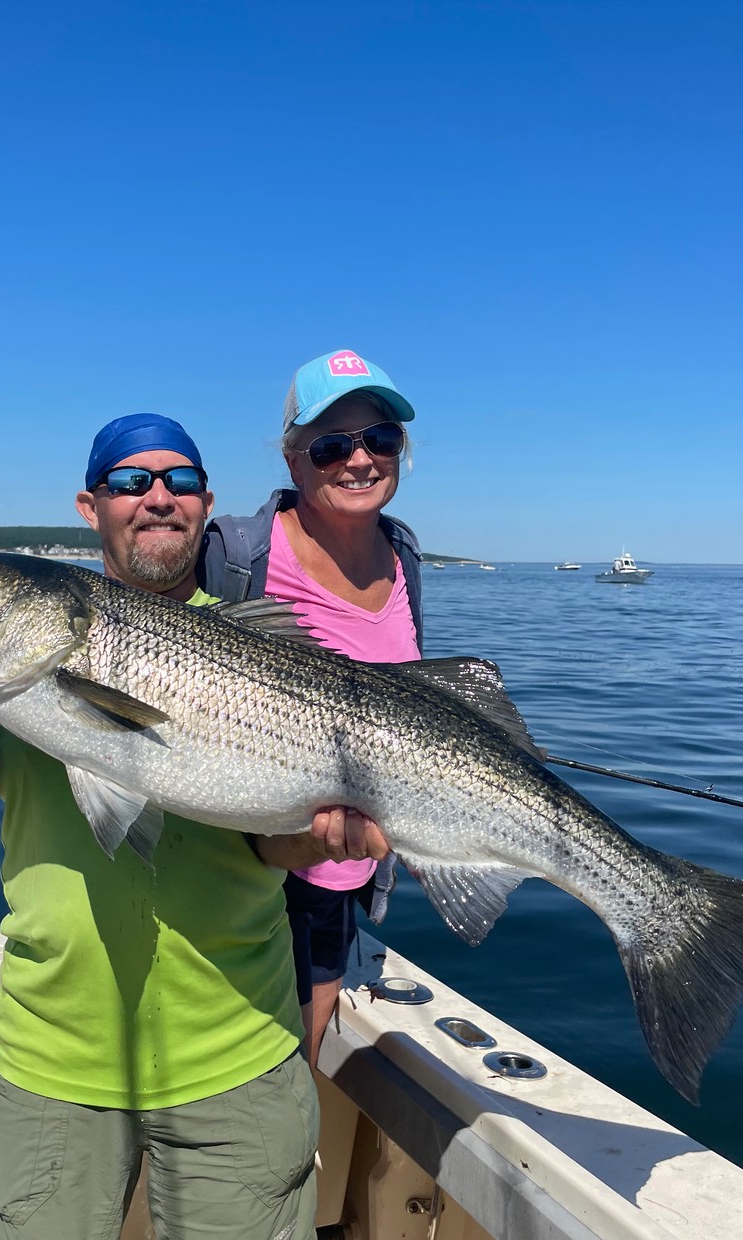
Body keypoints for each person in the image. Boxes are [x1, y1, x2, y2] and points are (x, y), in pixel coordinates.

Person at [0, 412, 368, 1240]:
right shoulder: (2, 677)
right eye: (131, 483)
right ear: (90, 506)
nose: (157, 499)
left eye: (179, 482)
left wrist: (323, 837)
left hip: (239, 1054)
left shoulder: (267, 648)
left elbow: (269, 844)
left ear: (207, 504)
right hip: (51, 1063)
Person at [202, 349, 423, 1065]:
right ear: (295, 462)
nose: (359, 459)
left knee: (296, 1063)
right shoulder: (237, 554)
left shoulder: (403, 554)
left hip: (343, 866)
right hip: (241, 868)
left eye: (380, 438)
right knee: (231, 1070)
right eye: (332, 445)